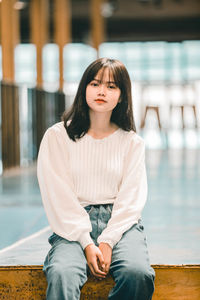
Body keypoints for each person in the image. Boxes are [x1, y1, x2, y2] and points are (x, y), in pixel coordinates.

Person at [37, 57, 155, 300]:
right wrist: (86, 242)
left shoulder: (131, 142)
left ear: (122, 96)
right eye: (95, 83)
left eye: (112, 86)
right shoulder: (58, 136)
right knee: (62, 273)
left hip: (121, 224)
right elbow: (59, 195)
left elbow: (131, 199)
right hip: (72, 223)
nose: (102, 91)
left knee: (138, 273)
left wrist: (108, 241)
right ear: (84, 89)